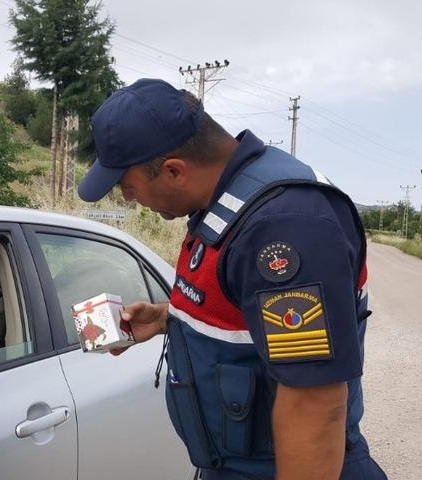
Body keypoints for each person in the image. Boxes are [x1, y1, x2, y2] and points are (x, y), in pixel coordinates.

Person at [77, 78, 385, 480]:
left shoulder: (284, 226)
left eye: (128, 187)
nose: (129, 200)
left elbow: (314, 403)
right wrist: (171, 317)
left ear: (173, 171)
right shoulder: (228, 197)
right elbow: (248, 307)